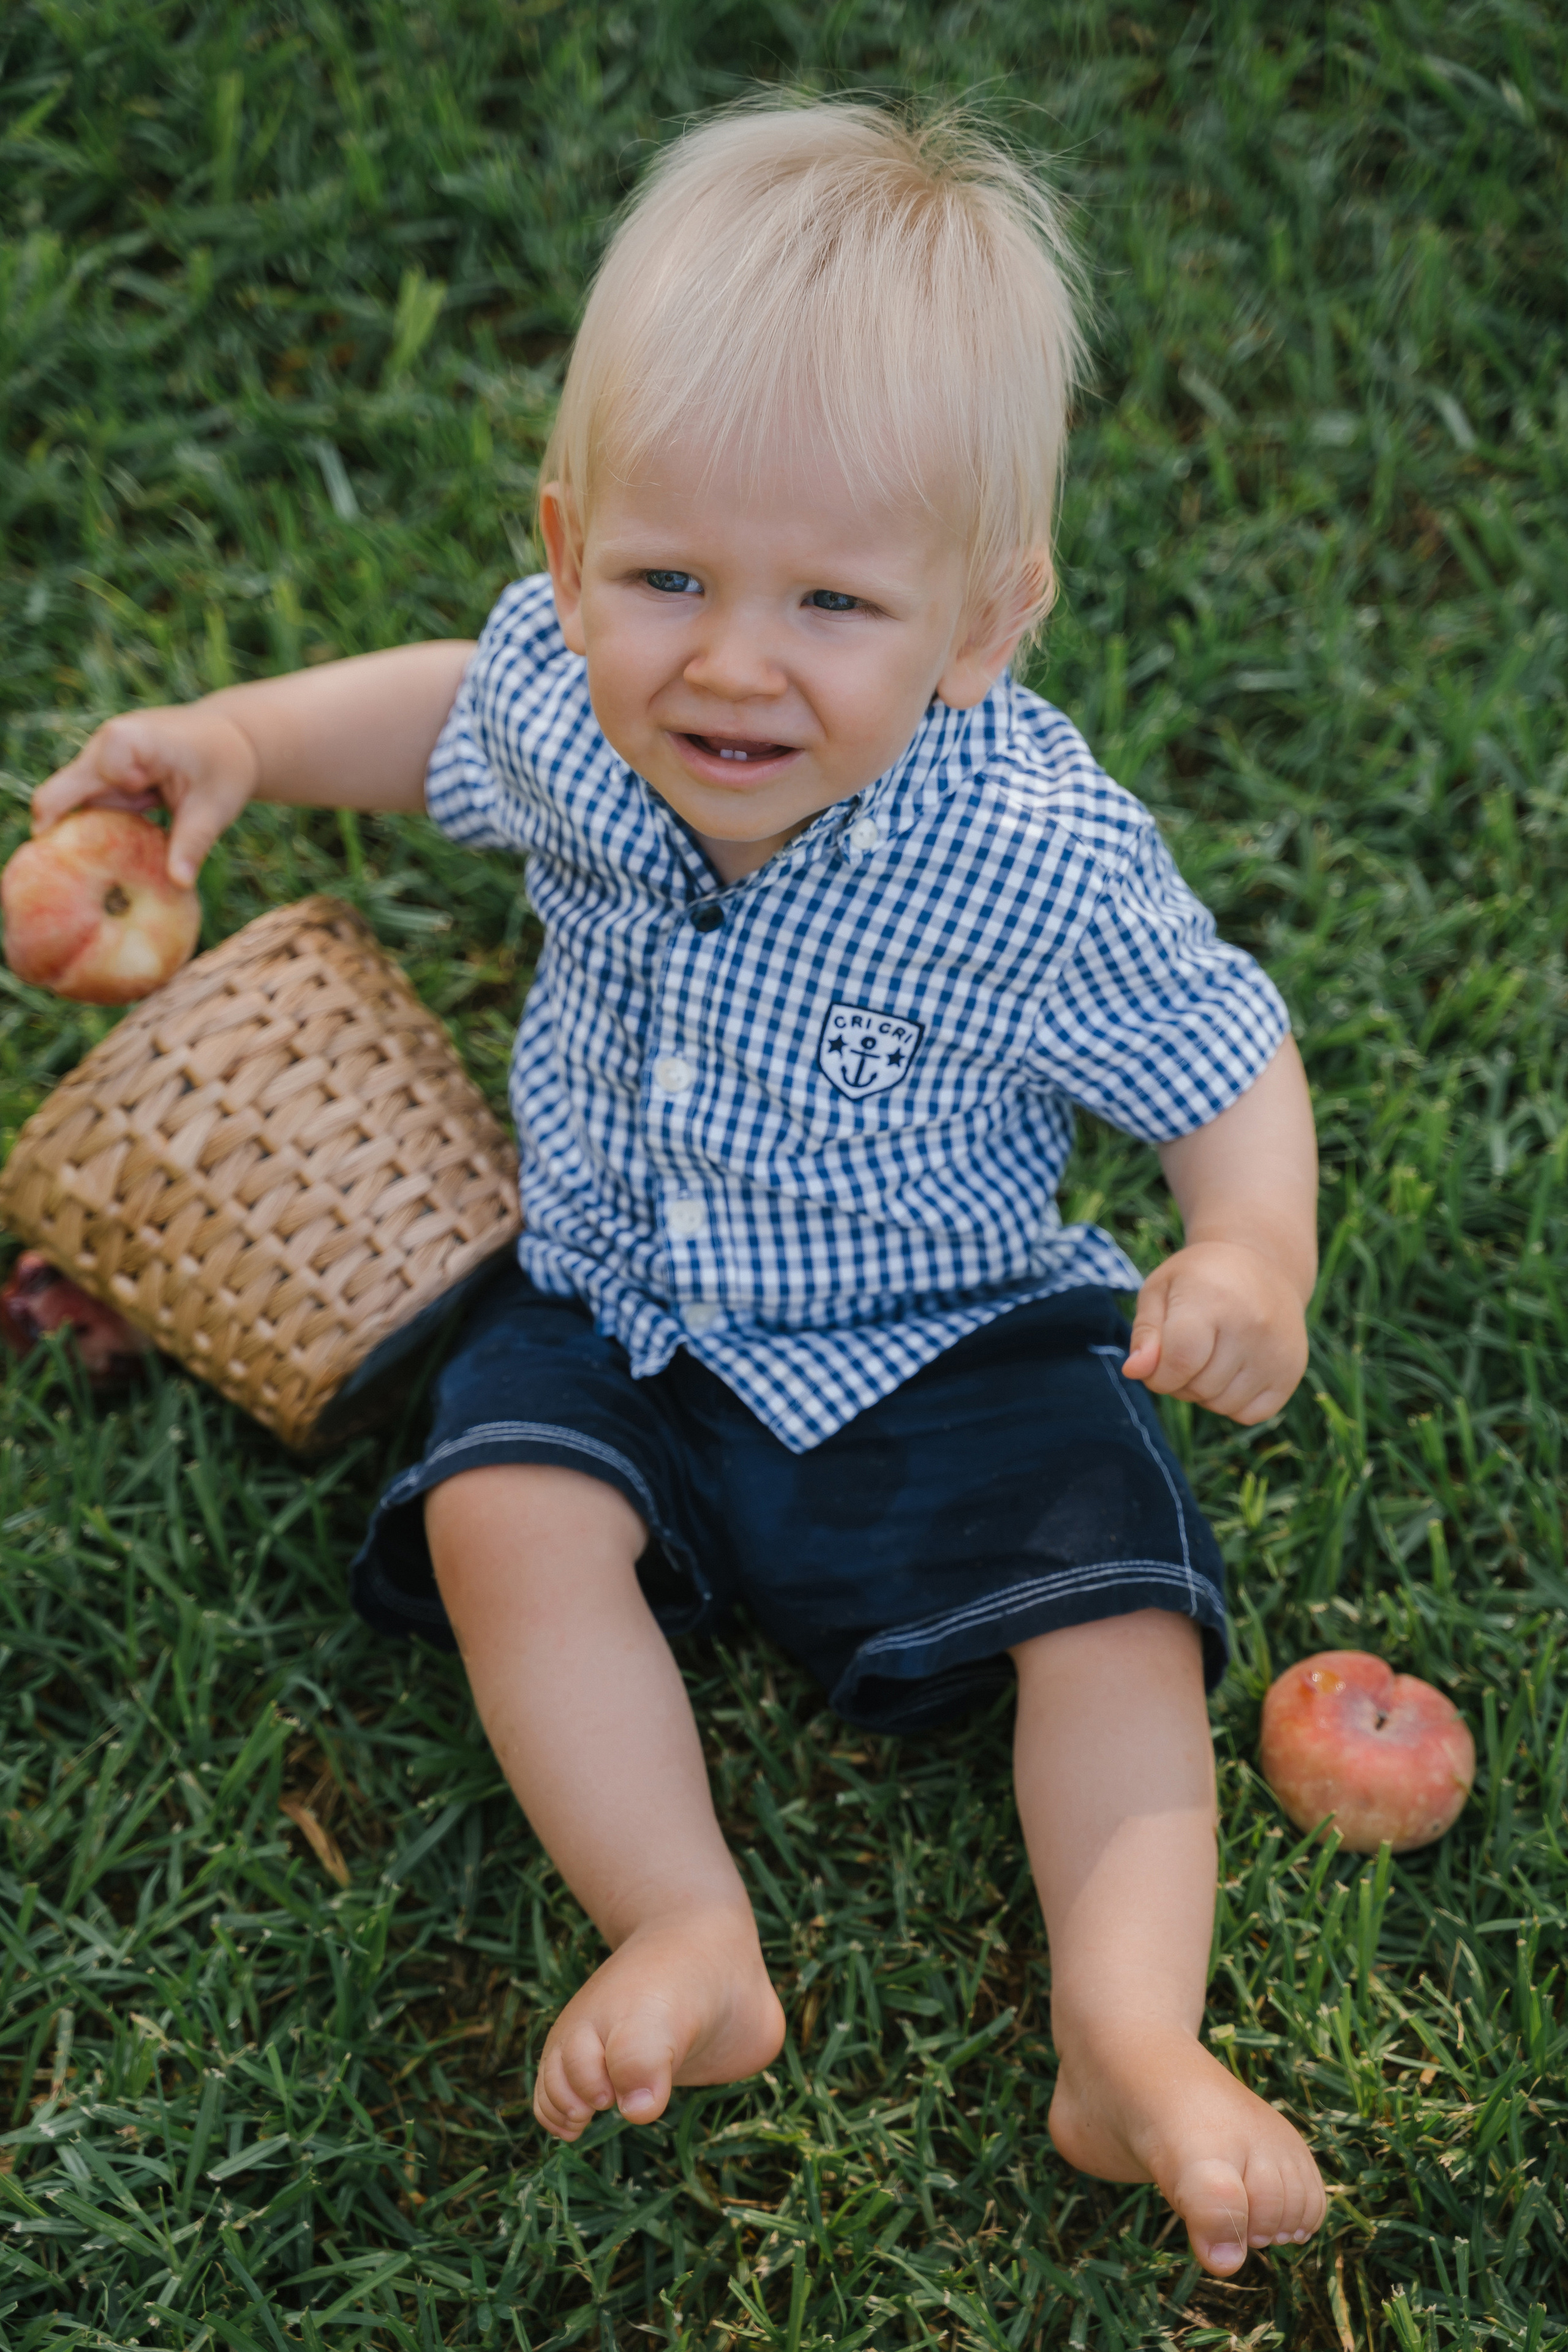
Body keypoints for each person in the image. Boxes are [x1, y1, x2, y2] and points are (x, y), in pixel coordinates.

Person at [33, 100, 1325, 2277]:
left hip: (946, 1333)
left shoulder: (1029, 855)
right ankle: (685, 1923)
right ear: (569, 551)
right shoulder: (566, 694)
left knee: (1109, 1610)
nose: (732, 660)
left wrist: (1250, 1246)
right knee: (500, 1515)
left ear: (985, 621)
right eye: (667, 580)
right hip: (620, 1294)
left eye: (834, 599)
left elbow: (1224, 1054)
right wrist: (244, 742)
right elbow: (444, 709)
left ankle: (1128, 2044)